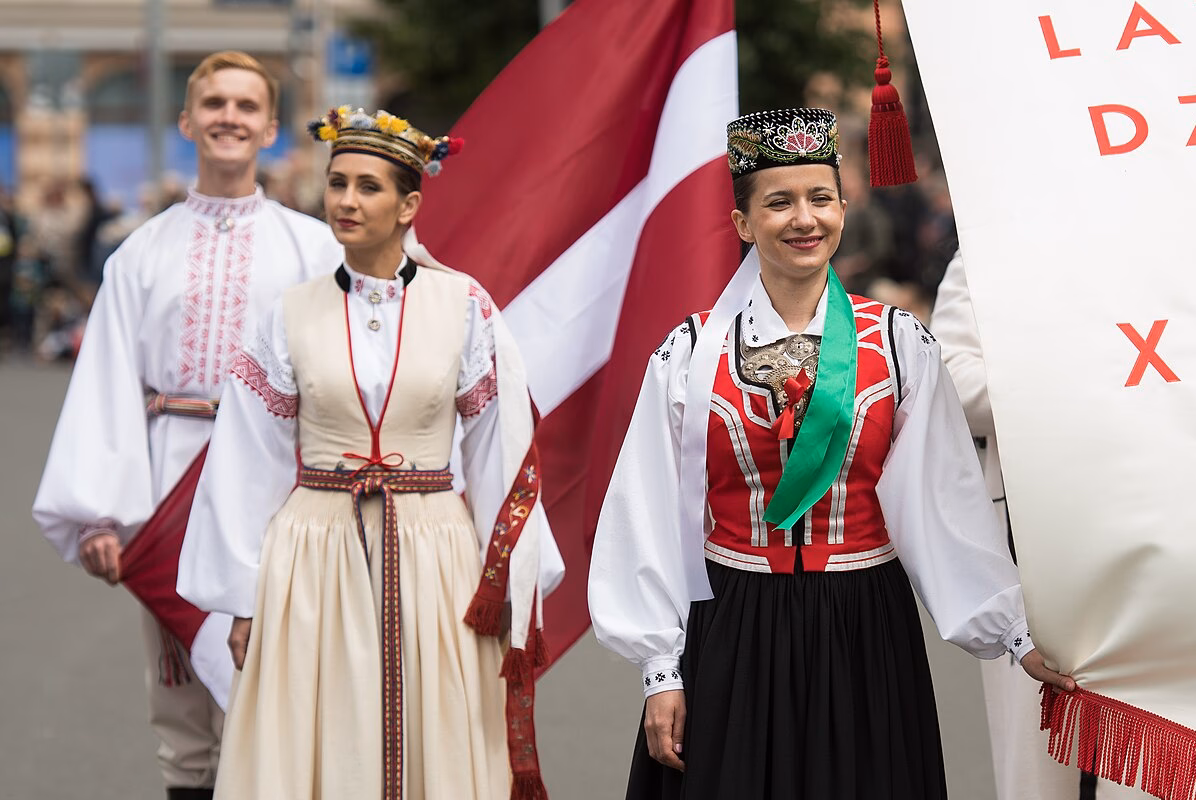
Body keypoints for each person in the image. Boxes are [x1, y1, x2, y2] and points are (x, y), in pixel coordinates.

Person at [588, 108, 1075, 800]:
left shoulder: (899, 346)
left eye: (820, 198)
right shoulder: (690, 353)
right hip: (733, 627)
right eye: (778, 202)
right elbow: (644, 510)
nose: (803, 219)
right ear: (743, 223)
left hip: (863, 627)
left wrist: (1017, 633)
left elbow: (945, 505)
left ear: (845, 208)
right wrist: (661, 672)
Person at [177, 107, 565, 800]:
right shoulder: (288, 312)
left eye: (368, 187)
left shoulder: (465, 305)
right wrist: (242, 600)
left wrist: (509, 574)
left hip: (434, 551)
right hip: (314, 551)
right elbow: (246, 458)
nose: (347, 201)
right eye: (337, 183)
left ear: (409, 203)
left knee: (436, 732)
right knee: (319, 731)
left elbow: (498, 449)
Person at [32, 51, 343, 800]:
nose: (229, 118)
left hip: (280, 486)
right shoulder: (142, 252)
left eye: (246, 106)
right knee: (182, 712)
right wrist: (99, 510)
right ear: (188, 121)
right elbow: (106, 380)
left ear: (270, 127)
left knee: (282, 689)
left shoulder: (313, 246)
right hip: (170, 484)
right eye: (214, 105)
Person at [931, 251, 1146, 800]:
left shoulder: (1161, 229)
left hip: (1152, 530)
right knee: (1037, 758)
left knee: (1152, 753)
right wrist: (1079, 386)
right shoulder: (993, 242)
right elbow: (951, 378)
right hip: (1033, 540)